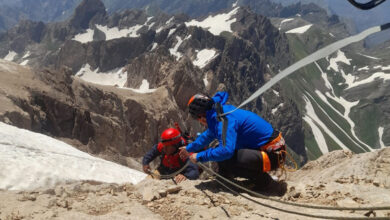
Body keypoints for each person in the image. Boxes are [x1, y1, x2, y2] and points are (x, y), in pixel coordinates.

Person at [179, 92, 287, 192]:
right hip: (270, 150)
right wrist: (189, 148)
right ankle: (227, 178)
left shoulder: (224, 120)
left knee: (227, 158)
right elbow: (207, 136)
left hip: (273, 155)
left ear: (201, 117)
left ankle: (265, 183)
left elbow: (226, 151)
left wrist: (199, 156)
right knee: (220, 150)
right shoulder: (218, 113)